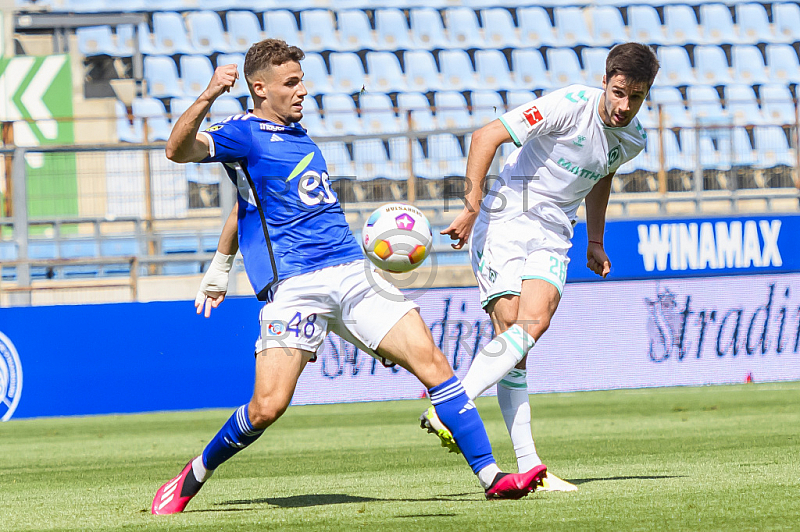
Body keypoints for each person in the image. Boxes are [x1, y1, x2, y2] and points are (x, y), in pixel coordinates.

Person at [150, 39, 547, 515]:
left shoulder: (300, 138)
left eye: (302, 81)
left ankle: (492, 476)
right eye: (290, 83)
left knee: (434, 364)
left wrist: (220, 265)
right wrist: (210, 94)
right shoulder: (242, 133)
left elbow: (248, 203)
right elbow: (177, 150)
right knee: (266, 408)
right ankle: (195, 473)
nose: (302, 91)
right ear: (259, 88)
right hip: (297, 286)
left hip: (354, 272)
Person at [420, 43, 660, 492]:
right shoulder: (571, 103)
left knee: (533, 324)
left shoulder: (633, 140)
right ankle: (527, 461)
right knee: (513, 331)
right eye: (620, 92)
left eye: (638, 97)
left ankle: (452, 409)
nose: (625, 106)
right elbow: (486, 135)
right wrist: (470, 208)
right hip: (507, 215)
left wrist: (594, 239)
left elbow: (600, 172)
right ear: (605, 80)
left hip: (554, 231)